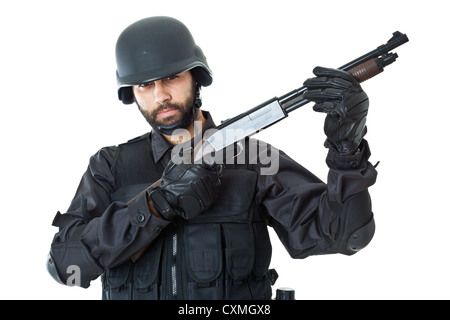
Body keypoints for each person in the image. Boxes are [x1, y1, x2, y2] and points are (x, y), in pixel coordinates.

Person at [47, 16, 378, 300]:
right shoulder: (110, 166)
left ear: (196, 77)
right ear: (130, 94)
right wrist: (154, 205)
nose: (160, 95)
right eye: (144, 85)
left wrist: (346, 152)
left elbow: (347, 235)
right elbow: (66, 268)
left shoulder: (253, 158)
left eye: (171, 78)